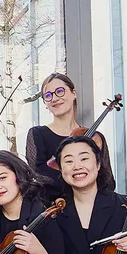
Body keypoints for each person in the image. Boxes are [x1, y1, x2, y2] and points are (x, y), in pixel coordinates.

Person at [25, 73, 114, 201]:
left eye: (60, 91)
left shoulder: (95, 138)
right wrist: (78, 181)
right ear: (45, 103)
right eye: (48, 95)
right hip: (54, 206)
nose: (54, 98)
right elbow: (39, 174)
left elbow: (108, 180)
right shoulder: (37, 134)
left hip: (92, 206)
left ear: (74, 93)